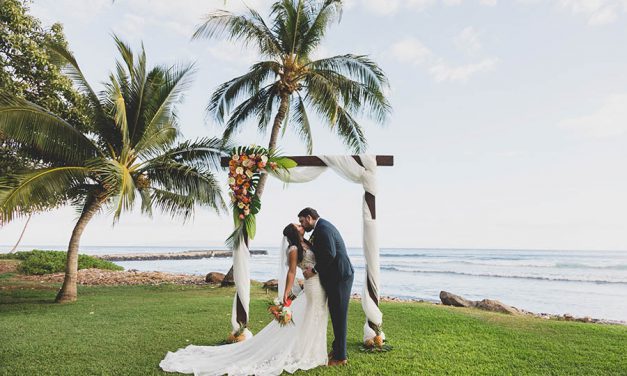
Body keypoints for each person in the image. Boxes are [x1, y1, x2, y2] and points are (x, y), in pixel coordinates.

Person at [159, 223, 329, 376]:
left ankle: (309, 349)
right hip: (312, 285)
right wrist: (285, 293)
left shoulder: (307, 243)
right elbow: (292, 272)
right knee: (311, 316)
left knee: (314, 316)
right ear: (294, 232)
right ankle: (306, 352)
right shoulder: (293, 249)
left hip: (319, 283)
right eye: (298, 225)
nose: (301, 225)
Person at [298, 207, 354, 367]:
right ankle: (337, 350)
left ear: (309, 218)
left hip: (340, 277)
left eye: (302, 221)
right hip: (334, 277)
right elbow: (319, 251)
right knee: (335, 313)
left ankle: (340, 357)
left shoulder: (323, 228)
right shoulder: (320, 228)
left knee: (339, 316)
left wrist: (314, 270)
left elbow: (330, 253)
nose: (302, 224)